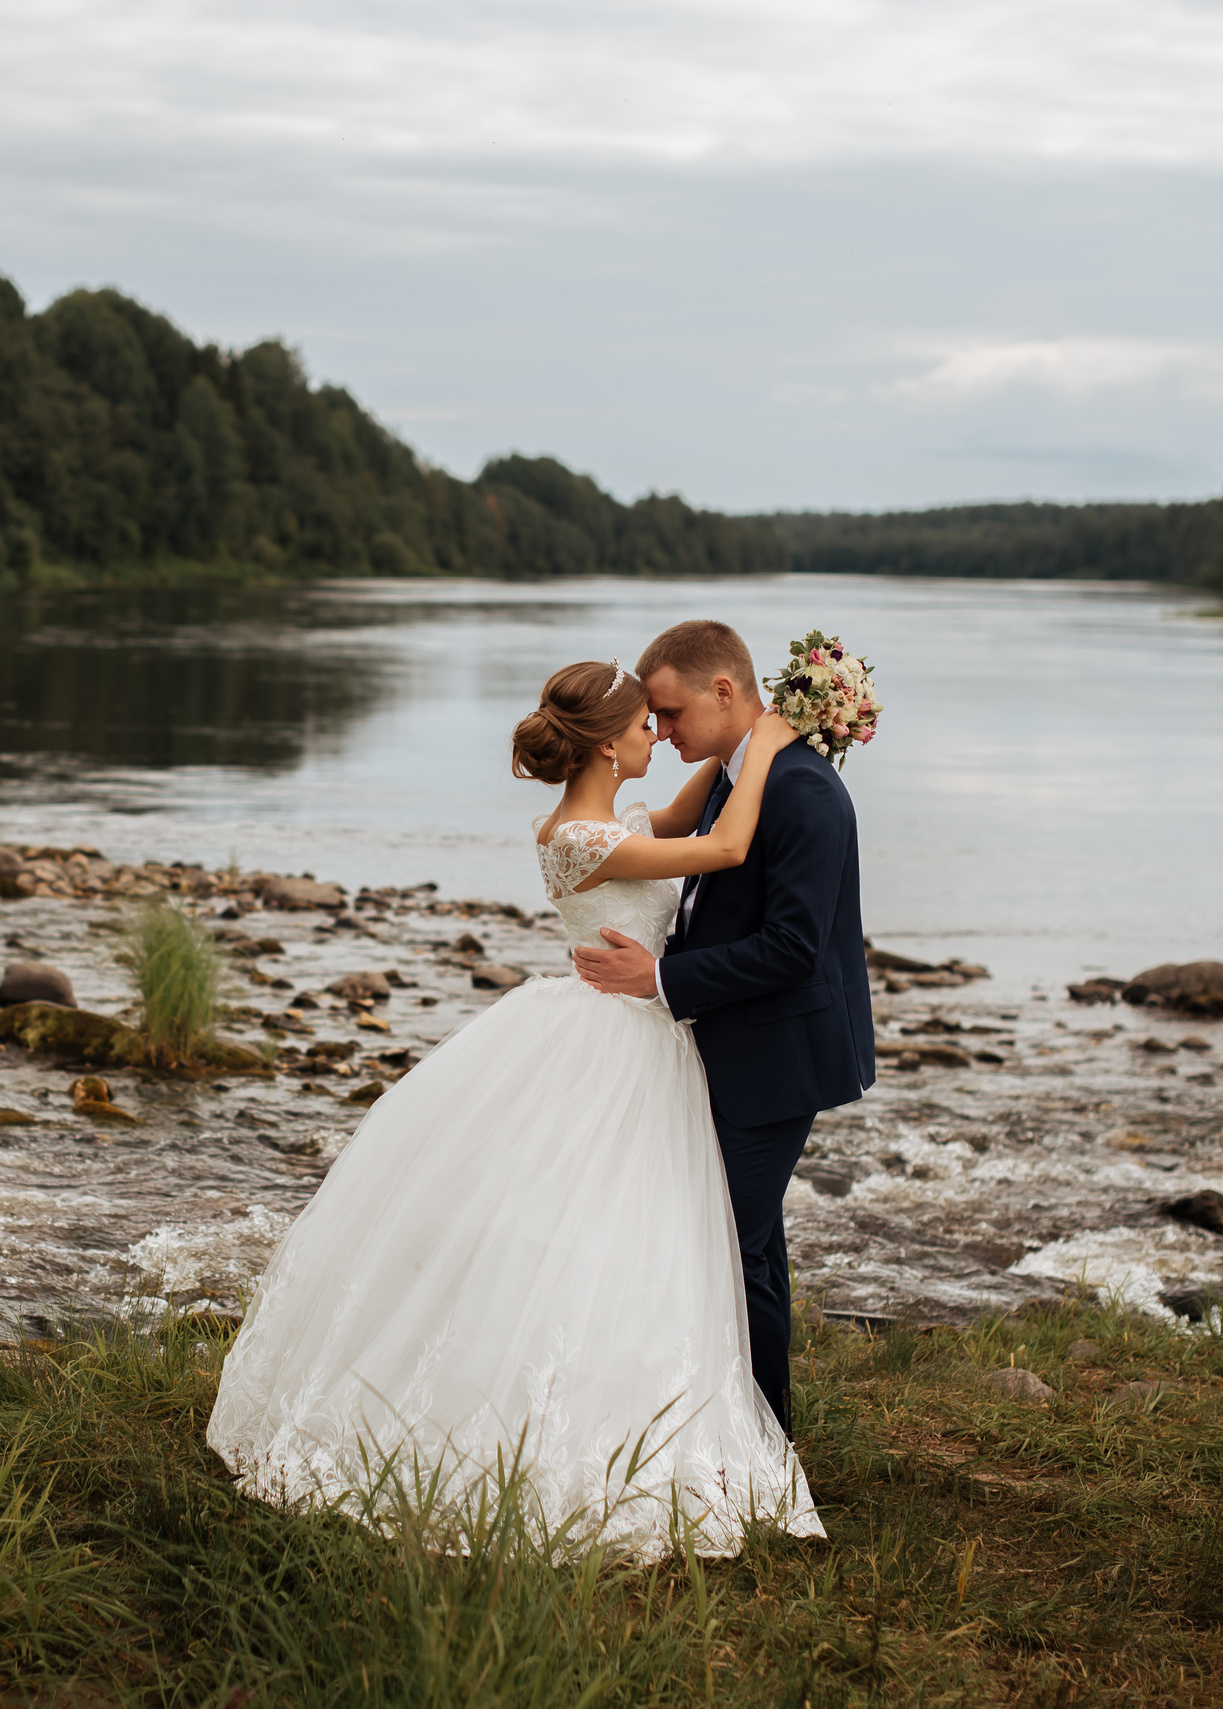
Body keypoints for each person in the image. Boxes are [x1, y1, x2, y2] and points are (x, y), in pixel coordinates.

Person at [204, 656, 825, 1560]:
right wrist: (769, 741)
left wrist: (747, 739)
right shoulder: (585, 838)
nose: (658, 732)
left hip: (629, 1037)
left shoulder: (605, 820)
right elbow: (725, 846)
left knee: (629, 1228)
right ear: (611, 745)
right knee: (599, 1222)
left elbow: (699, 807)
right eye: (646, 724)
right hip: (611, 1044)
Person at [574, 621, 877, 1436]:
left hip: (781, 1052)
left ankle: (758, 1443)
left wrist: (661, 978)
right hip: (731, 1040)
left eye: (669, 713)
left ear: (722, 692)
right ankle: (758, 1430)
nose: (661, 731)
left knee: (729, 1250)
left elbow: (795, 946)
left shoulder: (803, 791)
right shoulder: (732, 777)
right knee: (749, 1247)